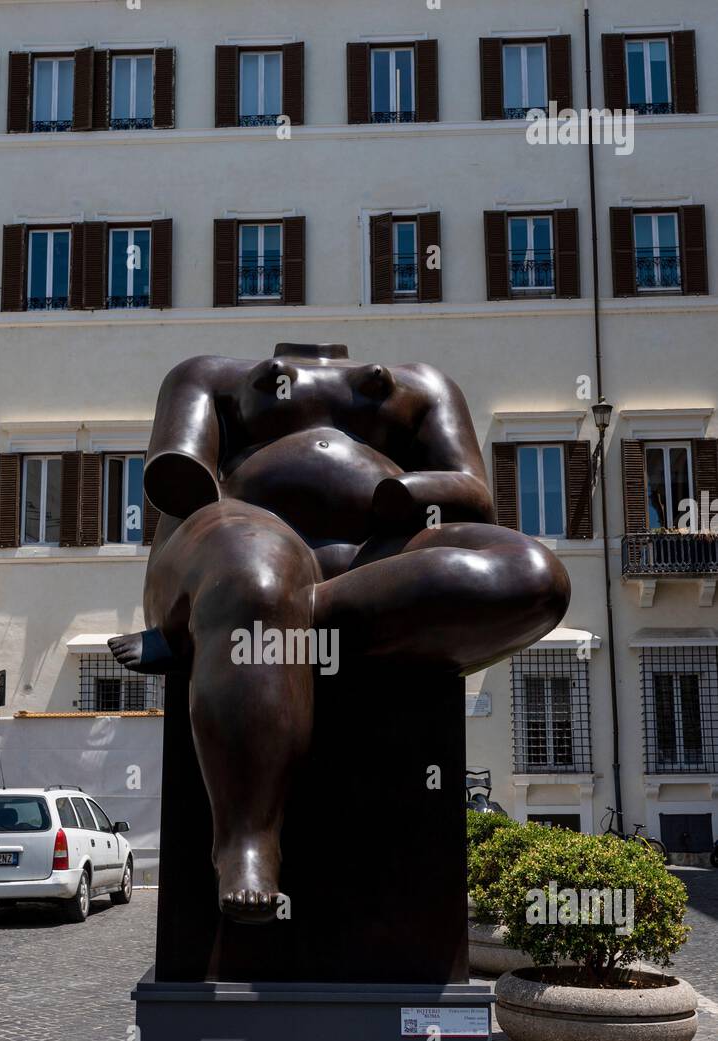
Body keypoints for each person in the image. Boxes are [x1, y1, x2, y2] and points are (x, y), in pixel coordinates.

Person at [111, 344, 569, 921]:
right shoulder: (205, 374)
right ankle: (246, 842)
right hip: (245, 534)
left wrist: (409, 493)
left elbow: (474, 493)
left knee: (532, 574)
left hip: (385, 553)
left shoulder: (426, 380)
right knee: (253, 573)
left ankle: (271, 623)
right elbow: (179, 475)